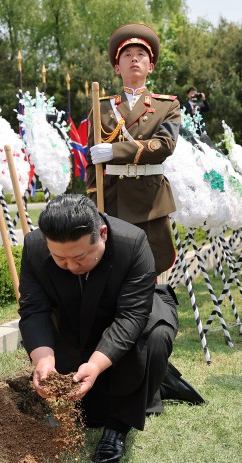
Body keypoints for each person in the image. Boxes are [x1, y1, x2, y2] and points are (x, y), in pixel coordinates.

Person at [18, 195, 204, 463]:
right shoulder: (34, 246)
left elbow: (131, 316)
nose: (70, 267)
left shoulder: (133, 242)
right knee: (90, 411)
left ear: (102, 235)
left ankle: (118, 427)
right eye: (59, 258)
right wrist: (44, 360)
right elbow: (33, 310)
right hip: (75, 320)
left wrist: (94, 365)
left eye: (80, 257)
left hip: (134, 314)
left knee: (155, 336)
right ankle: (156, 382)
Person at [87, 22, 181, 276]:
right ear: (118, 67)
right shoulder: (103, 107)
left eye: (141, 55)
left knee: (152, 265)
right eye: (127, 55)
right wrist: (94, 202)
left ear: (150, 66)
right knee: (116, 268)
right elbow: (90, 163)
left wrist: (115, 152)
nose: (134, 59)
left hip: (150, 199)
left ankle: (155, 314)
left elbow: (165, 145)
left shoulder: (167, 106)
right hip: (114, 200)